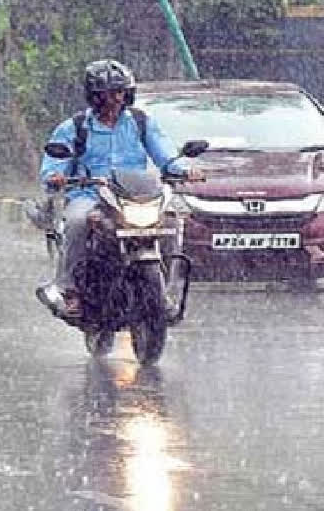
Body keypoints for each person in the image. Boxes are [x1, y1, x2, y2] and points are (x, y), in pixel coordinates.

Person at [39, 59, 202, 317]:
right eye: (108, 94)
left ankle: (164, 290)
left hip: (135, 197)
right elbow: (53, 165)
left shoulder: (140, 122)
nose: (115, 99)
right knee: (77, 222)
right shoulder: (75, 127)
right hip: (89, 195)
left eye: (120, 92)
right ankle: (70, 291)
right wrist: (56, 176)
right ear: (94, 97)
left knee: (171, 221)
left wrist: (184, 170)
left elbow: (165, 155)